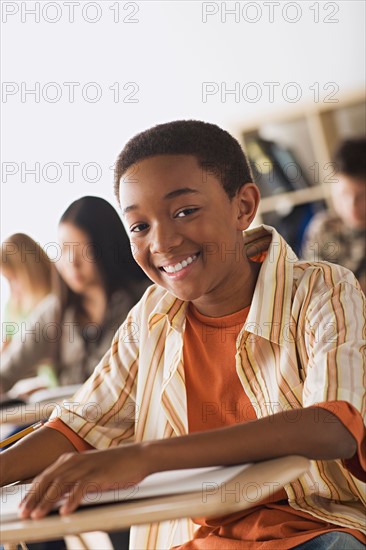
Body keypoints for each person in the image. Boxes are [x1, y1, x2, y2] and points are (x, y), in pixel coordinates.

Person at [1, 122, 365, 550]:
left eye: (185, 211)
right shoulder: (151, 318)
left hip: (321, 529)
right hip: (203, 540)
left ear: (243, 206)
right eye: (139, 227)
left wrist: (146, 456)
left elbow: (332, 424)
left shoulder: (322, 288)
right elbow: (79, 427)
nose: (164, 241)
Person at [0, 196, 150, 392]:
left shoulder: (146, 300)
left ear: (105, 246)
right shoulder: (55, 310)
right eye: (64, 249)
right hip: (68, 419)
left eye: (82, 249)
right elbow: (7, 371)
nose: (72, 262)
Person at [302, 138, 366, 293]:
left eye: (361, 196)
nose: (351, 205)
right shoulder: (323, 228)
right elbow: (310, 289)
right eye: (344, 194)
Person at [1, 233, 57, 390]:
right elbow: (7, 357)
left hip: (59, 388)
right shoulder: (12, 307)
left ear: (29, 273)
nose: (12, 288)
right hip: (39, 388)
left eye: (13, 279)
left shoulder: (55, 303)